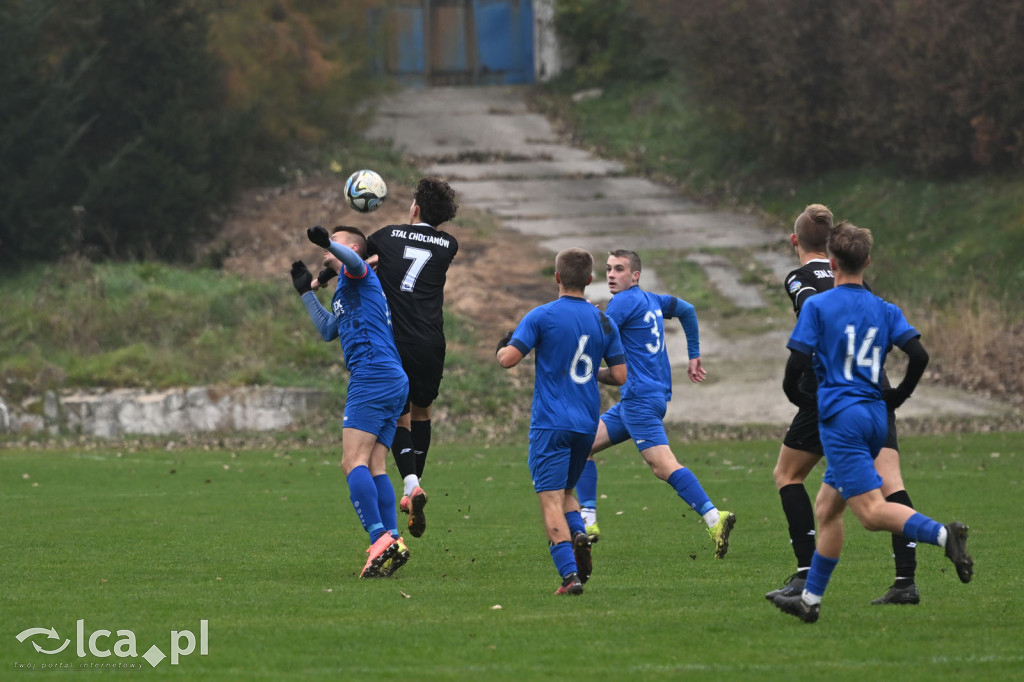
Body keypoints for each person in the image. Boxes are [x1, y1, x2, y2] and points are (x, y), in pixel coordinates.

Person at [770, 221, 973, 623]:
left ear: (832, 262)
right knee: (828, 507)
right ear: (867, 261)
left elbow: (795, 365)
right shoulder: (885, 308)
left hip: (841, 419)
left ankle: (944, 536)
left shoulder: (818, 306)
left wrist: (800, 397)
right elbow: (919, 356)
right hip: (875, 416)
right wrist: (898, 395)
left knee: (870, 512)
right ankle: (809, 602)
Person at [767, 204, 922, 605]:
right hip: (875, 386)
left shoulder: (799, 277)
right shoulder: (860, 285)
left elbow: (813, 319)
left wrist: (803, 388)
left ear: (794, 241)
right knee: (890, 481)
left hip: (832, 388)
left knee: (788, 474)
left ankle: (805, 575)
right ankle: (905, 581)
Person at [575, 250, 736, 559]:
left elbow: (601, 340)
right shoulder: (652, 301)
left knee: (662, 466)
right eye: (608, 268)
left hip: (639, 400)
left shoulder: (621, 303)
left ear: (635, 275)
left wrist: (591, 321)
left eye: (619, 269)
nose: (611, 274)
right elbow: (687, 309)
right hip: (646, 397)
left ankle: (715, 518)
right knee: (583, 444)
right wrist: (694, 353)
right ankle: (589, 521)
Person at [496, 248, 627, 595]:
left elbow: (509, 360)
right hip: (586, 423)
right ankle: (578, 534)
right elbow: (619, 375)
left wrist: (503, 346)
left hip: (551, 424)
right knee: (566, 492)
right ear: (590, 279)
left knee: (550, 499)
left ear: (557, 277)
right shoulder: (604, 321)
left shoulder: (542, 316)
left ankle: (570, 577)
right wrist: (585, 375)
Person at [290, 225, 411, 579]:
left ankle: (378, 538)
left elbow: (353, 260)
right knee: (375, 465)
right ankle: (393, 538)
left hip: (373, 375)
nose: (327, 251)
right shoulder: (346, 288)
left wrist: (328, 243)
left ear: (353, 247)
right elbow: (330, 330)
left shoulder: (359, 272)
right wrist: (305, 293)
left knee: (351, 462)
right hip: (389, 377)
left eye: (337, 243)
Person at [364, 177, 460, 539]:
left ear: (414, 208)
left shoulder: (386, 236)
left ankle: (410, 485)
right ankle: (413, 488)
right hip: (431, 342)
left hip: (395, 342)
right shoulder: (448, 244)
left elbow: (362, 256)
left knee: (400, 419)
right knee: (423, 412)